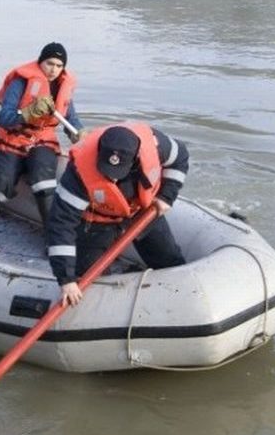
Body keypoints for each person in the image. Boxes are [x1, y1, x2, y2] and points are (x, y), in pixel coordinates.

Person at [46, 123, 190, 306]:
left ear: (135, 159)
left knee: (170, 260)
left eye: (117, 172)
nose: (112, 178)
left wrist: (167, 196)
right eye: (107, 169)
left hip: (142, 211)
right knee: (87, 277)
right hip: (98, 220)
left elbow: (181, 157)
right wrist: (66, 280)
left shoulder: (156, 145)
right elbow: (61, 224)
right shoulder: (78, 173)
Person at [0, 42, 87, 244]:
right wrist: (28, 113)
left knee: (44, 182)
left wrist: (78, 132)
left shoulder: (62, 85)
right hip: (13, 138)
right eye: (50, 63)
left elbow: (70, 117)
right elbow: (5, 118)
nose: (54, 70)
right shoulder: (21, 82)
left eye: (59, 66)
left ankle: (54, 241)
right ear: (41, 61)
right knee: (1, 183)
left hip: (43, 140)